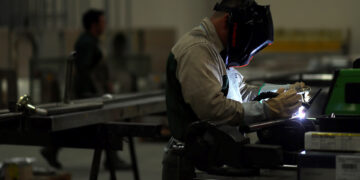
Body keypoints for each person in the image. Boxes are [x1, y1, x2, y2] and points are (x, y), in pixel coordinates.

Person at [162, 0, 306, 179]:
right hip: (191, 164)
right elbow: (213, 109)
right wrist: (268, 109)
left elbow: (242, 92)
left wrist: (283, 91)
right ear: (227, 22)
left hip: (213, 157)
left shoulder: (216, 49)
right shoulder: (197, 51)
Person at [41, 9, 131, 171]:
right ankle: (111, 159)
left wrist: (105, 83)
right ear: (94, 24)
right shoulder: (86, 43)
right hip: (88, 92)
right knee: (101, 121)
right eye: (102, 22)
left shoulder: (92, 41)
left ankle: (51, 150)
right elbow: (84, 70)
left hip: (94, 90)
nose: (105, 25)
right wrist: (92, 92)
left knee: (80, 126)